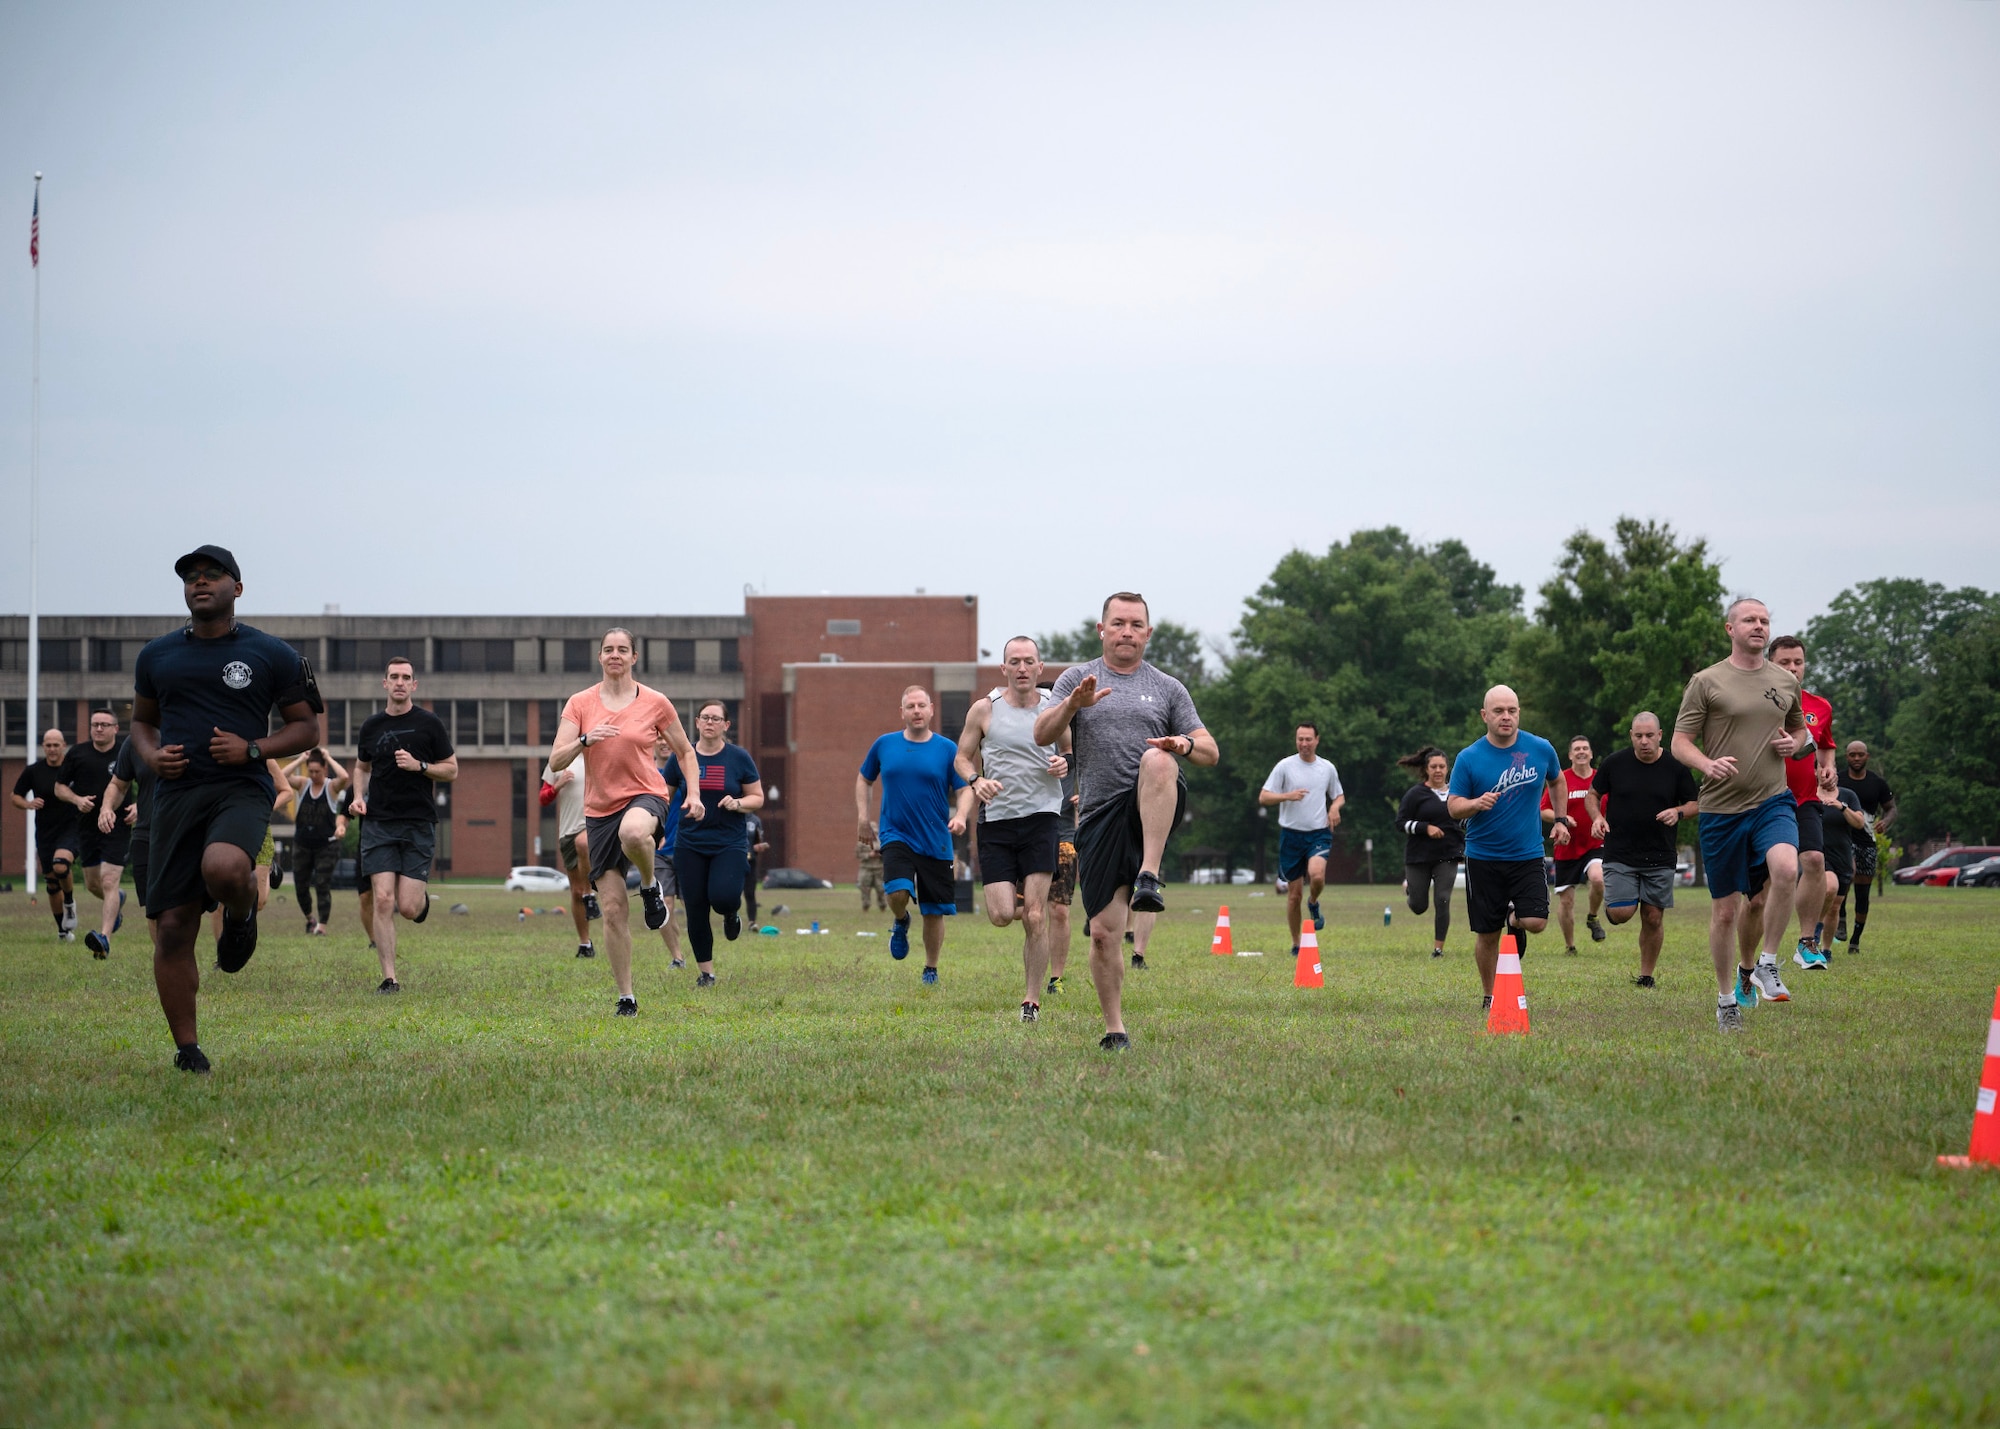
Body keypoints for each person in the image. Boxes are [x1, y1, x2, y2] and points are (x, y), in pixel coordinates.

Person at [129, 545, 322, 1072]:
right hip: (176, 796)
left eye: (213, 575)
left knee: (225, 866)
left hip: (239, 786)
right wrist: (151, 756)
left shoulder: (272, 653)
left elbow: (307, 728)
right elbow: (141, 724)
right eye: (191, 577)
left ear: (237, 588)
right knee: (172, 926)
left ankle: (240, 917)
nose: (199, 582)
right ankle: (188, 1050)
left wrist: (253, 749)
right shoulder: (156, 656)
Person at [1037, 593, 1216, 1050]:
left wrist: (1182, 744)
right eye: (1118, 623)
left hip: (1149, 808)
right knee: (1102, 934)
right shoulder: (1077, 679)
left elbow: (1210, 750)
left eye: (1136, 624)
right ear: (1102, 630)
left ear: (1148, 633)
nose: (1127, 632)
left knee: (1158, 761)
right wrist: (1074, 705)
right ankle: (1114, 1027)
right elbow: (1041, 733)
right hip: (1096, 816)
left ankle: (1149, 874)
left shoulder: (1167, 687)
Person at [550, 628, 703, 1016]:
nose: (615, 655)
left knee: (634, 832)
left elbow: (685, 751)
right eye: (608, 650)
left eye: (622, 649)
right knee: (615, 910)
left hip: (645, 795)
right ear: (600, 657)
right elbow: (555, 761)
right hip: (598, 810)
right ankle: (627, 996)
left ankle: (650, 886)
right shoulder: (580, 703)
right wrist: (585, 740)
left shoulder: (655, 702)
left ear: (634, 657)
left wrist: (695, 794)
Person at [1672, 596, 1808, 1032]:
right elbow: (1680, 742)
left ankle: (1767, 963)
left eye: (1765, 620)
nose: (1759, 626)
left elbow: (1801, 729)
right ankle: (1726, 999)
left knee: (1787, 868)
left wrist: (1796, 744)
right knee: (1727, 913)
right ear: (1730, 629)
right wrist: (1706, 764)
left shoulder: (1785, 681)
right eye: (1749, 619)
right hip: (1721, 808)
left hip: (1772, 799)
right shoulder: (1707, 681)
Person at [957, 638, 1070, 1021]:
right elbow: (960, 758)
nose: (1022, 668)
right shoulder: (984, 710)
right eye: (1014, 662)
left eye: (1029, 662)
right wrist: (975, 780)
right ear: (1003, 669)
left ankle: (1031, 1001)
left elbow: (1071, 752)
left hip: (1042, 817)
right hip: (997, 821)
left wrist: (1064, 764)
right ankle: (1028, 907)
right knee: (1003, 915)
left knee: (1036, 916)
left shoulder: (1055, 709)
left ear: (1040, 669)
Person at [1445, 686, 1567, 1013]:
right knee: (1487, 933)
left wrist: (1560, 819)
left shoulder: (1540, 749)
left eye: (1512, 710)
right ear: (1485, 716)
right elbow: (1454, 807)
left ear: (1518, 714)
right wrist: (1476, 803)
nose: (1506, 717)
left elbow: (1556, 780)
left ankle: (1515, 919)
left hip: (1527, 854)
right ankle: (1490, 994)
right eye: (1498, 711)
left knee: (1536, 921)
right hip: (1483, 857)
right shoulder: (1469, 758)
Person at [349, 657, 456, 992]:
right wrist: (357, 796)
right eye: (393, 677)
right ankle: (390, 977)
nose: (399, 682)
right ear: (385, 683)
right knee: (382, 899)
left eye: (405, 677)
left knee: (407, 907)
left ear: (414, 685)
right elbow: (361, 767)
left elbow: (451, 769)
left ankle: (421, 906)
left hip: (417, 823)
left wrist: (419, 765)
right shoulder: (371, 726)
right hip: (379, 822)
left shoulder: (429, 724)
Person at [857, 686, 973, 986]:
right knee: (897, 892)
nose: (917, 711)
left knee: (934, 911)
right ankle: (900, 919)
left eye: (922, 705)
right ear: (902, 712)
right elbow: (864, 779)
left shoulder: (947, 749)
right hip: (896, 833)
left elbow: (964, 788)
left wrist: (960, 816)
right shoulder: (884, 745)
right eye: (911, 706)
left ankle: (930, 968)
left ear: (931, 709)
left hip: (936, 839)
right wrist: (862, 817)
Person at [1586, 713, 1698, 987]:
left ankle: (1646, 976)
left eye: (1650, 735)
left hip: (1659, 854)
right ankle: (1616, 906)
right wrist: (1597, 818)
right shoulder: (1615, 763)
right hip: (1620, 852)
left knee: (1653, 916)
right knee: (1622, 913)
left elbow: (1695, 803)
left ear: (1660, 735)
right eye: (1639, 736)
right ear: (1631, 736)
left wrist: (1678, 812)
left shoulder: (1676, 767)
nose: (1644, 741)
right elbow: (1593, 795)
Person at [664, 700, 762, 987]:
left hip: (728, 842)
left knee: (723, 897)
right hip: (689, 842)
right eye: (705, 717)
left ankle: (731, 913)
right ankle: (706, 972)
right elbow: (664, 796)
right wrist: (655, 827)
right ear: (696, 722)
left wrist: (738, 802)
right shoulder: (681, 757)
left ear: (726, 725)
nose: (710, 722)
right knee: (695, 907)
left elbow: (757, 797)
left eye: (716, 718)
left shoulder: (738, 758)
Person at [1767, 635, 1836, 968]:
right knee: (1766, 882)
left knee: (1814, 861)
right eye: (1785, 662)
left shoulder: (1819, 706)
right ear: (1770, 664)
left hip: (1805, 800)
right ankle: (1760, 959)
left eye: (1798, 662)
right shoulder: (1756, 703)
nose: (1793, 668)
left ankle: (1808, 942)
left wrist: (1828, 769)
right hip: (1762, 799)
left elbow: (1825, 745)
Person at [1259, 721, 1345, 959]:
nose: (1304, 744)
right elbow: (1264, 797)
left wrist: (1335, 808)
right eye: (1300, 739)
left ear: (1317, 740)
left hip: (1318, 833)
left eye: (1308, 739)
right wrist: (1288, 795)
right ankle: (1297, 944)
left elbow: (1338, 796)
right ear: (1295, 740)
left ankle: (1314, 901)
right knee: (1293, 895)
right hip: (1291, 836)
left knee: (1317, 875)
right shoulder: (1285, 767)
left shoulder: (1327, 768)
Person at [57, 710, 133, 956]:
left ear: (115, 728)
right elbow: (59, 788)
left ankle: (104, 939)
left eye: (104, 725)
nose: (98, 729)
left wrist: (139, 806)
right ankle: (117, 903)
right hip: (87, 826)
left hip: (116, 824)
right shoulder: (77, 754)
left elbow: (150, 779)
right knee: (92, 884)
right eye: (95, 724)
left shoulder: (125, 751)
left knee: (109, 880)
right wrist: (77, 799)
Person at [208, 758, 293, 950]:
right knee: (221, 897)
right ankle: (224, 954)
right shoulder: (216, 754)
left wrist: (260, 809)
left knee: (258, 902)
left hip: (258, 829)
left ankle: (269, 869)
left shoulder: (262, 756)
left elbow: (287, 792)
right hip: (224, 829)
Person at [1539, 736, 1606, 954]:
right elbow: (1543, 810)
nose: (1581, 752)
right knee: (1566, 901)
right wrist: (1562, 819)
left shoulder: (1601, 780)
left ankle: (1593, 917)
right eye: (1576, 749)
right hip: (1566, 847)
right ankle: (1570, 946)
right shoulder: (1562, 779)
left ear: (1591, 753)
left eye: (1585, 748)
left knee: (1598, 877)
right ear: (1570, 755)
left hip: (1595, 843)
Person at [1396, 745, 1464, 958]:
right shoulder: (1416, 794)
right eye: (1433, 766)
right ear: (1426, 769)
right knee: (1419, 906)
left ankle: (1438, 948)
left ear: (1447, 769)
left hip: (1448, 854)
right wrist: (1425, 828)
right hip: (1418, 856)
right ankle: (1411, 890)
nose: (1437, 770)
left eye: (1441, 766)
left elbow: (1463, 818)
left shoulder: (1456, 793)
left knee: (1442, 898)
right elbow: (1400, 823)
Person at [12, 727, 79, 940]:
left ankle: (69, 902)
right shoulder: (33, 771)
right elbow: (15, 796)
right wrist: (28, 804)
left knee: (61, 864)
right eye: (48, 745)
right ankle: (62, 930)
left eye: (56, 745)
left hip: (71, 827)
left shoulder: (73, 769)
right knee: (51, 881)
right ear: (43, 747)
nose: (52, 749)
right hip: (45, 832)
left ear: (63, 746)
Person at [279, 748, 349, 935]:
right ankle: (311, 919)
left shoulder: (331, 787)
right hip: (302, 844)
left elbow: (344, 776)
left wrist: (328, 756)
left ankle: (323, 927)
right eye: (311, 771)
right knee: (301, 886)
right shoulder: (303, 784)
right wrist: (301, 759)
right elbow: (281, 775)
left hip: (327, 845)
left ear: (325, 769)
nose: (314, 775)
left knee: (322, 883)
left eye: (317, 771)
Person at [1836, 741, 1895, 952]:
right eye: (1852, 755)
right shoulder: (1838, 779)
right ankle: (1840, 918)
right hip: (1842, 838)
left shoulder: (1877, 783)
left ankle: (1855, 940)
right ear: (1847, 756)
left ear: (1867, 756)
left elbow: (1891, 809)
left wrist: (1885, 822)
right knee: (1843, 879)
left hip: (1867, 841)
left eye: (1860, 754)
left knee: (1862, 892)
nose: (1857, 758)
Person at [539, 751, 598, 958]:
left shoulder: (600, 756)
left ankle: (591, 896)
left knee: (583, 843)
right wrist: (558, 784)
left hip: (595, 826)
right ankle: (585, 943)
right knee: (575, 892)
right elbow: (543, 798)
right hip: (567, 830)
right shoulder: (559, 761)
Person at [1817, 766, 1865, 962]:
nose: (1826, 775)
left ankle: (1826, 949)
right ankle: (1812, 932)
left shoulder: (1848, 795)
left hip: (1843, 857)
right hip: (1819, 855)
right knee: (1830, 888)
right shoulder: (1810, 795)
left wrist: (1841, 807)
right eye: (1821, 771)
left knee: (1835, 907)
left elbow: (1859, 823)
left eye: (1830, 771)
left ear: (1836, 773)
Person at [856, 821, 887, 911]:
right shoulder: (862, 841)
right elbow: (858, 855)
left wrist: (880, 855)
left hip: (879, 868)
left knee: (881, 888)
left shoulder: (882, 841)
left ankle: (882, 906)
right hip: (866, 868)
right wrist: (869, 855)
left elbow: (887, 854)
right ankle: (866, 906)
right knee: (864, 888)